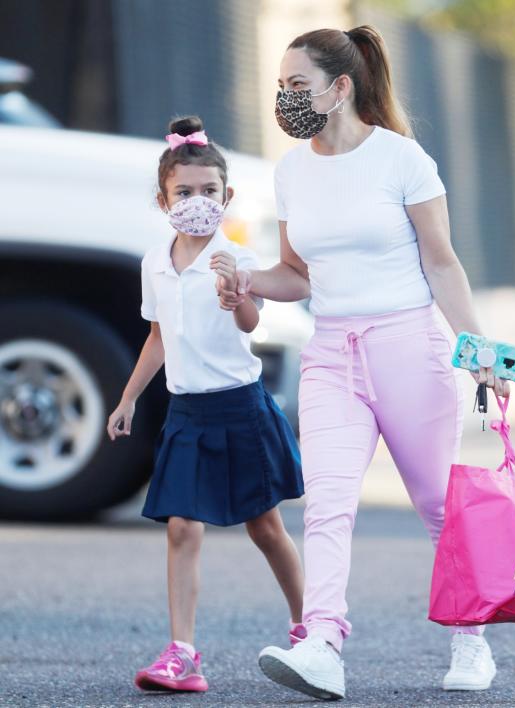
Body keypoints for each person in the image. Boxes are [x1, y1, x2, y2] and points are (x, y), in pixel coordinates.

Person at [214, 25, 512, 701]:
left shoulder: (403, 160)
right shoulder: (290, 172)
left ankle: (471, 639)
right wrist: (249, 280)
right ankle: (322, 643)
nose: (286, 99)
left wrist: (480, 354)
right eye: (281, 88)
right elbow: (297, 273)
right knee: (326, 506)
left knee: (438, 506)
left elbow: (442, 262)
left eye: (299, 86)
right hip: (332, 356)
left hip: (409, 348)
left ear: (340, 87)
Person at [106, 116, 307, 694]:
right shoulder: (155, 262)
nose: (198, 202)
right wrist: (128, 400)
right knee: (181, 528)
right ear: (163, 198)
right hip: (187, 413)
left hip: (240, 409)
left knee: (265, 528)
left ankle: (307, 627)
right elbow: (157, 337)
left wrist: (235, 289)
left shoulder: (234, 257)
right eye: (185, 192)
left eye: (209, 192)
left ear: (228, 196)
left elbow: (249, 324)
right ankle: (183, 654)